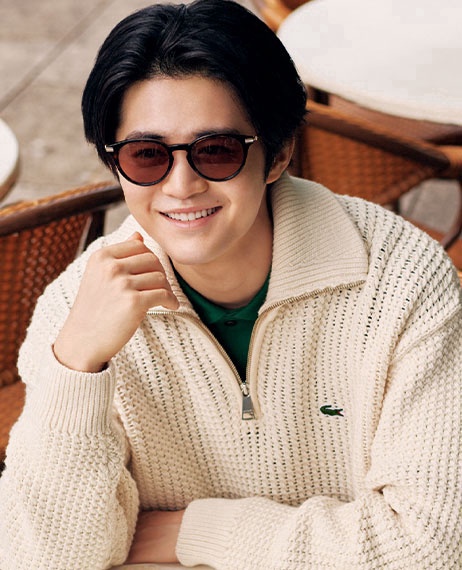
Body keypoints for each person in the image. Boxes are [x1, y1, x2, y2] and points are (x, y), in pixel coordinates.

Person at [0, 1, 460, 568]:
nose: (181, 186)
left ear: (278, 154)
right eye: (147, 156)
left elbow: (436, 546)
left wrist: (196, 531)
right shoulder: (75, 310)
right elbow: (43, 557)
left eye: (215, 151)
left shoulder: (404, 279)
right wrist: (75, 368)